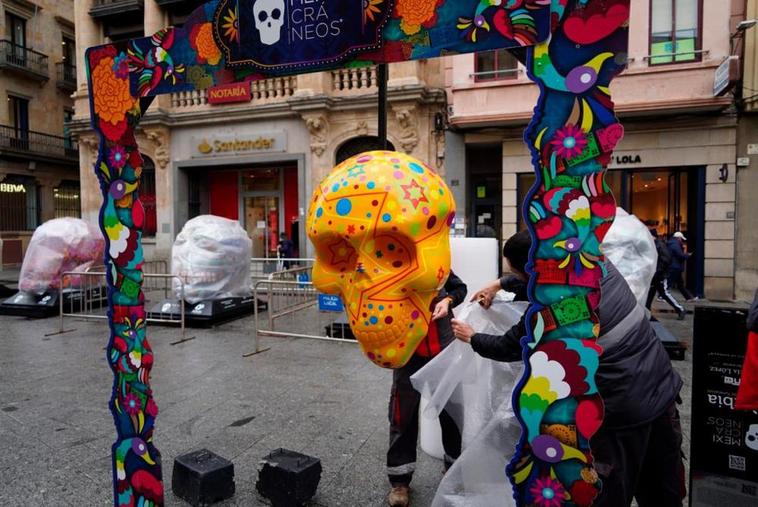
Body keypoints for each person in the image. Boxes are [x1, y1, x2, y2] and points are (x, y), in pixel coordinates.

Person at [451, 230, 686, 507]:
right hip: (661, 386)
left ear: (533, 271)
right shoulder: (596, 264)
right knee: (663, 488)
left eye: (517, 272)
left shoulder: (555, 307)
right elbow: (543, 278)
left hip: (621, 410)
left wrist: (472, 336)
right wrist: (501, 283)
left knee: (609, 492)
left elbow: (510, 346)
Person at [387, 271, 467, 507]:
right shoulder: (390, 266)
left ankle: (453, 470)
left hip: (443, 349)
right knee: (403, 416)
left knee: (452, 412)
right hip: (407, 351)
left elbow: (460, 288)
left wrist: (447, 300)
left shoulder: (438, 263)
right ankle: (400, 481)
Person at [646, 229, 686, 320]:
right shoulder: (655, 245)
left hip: (659, 274)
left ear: (652, 236)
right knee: (650, 294)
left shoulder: (659, 245)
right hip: (655, 274)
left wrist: (659, 271)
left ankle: (680, 309)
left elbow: (666, 259)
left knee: (664, 293)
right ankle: (646, 312)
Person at [667, 231, 695, 301]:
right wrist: (687, 255)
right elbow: (680, 255)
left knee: (679, 284)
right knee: (669, 282)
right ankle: (661, 296)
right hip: (674, 266)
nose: (682, 241)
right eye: (681, 239)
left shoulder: (672, 243)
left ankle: (688, 297)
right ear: (678, 238)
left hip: (675, 266)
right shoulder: (675, 244)